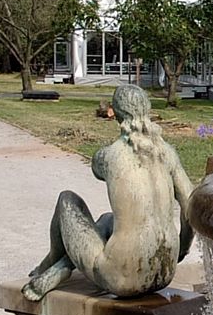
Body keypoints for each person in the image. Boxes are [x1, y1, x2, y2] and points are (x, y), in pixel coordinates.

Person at [23, 83, 194, 301]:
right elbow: (190, 205)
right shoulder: (168, 154)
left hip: (120, 278)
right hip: (164, 273)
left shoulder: (107, 157)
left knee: (67, 199)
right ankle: (59, 267)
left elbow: (97, 170)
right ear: (148, 110)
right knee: (108, 219)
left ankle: (51, 265)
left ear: (115, 114)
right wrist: (181, 249)